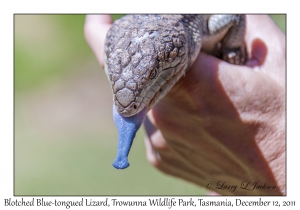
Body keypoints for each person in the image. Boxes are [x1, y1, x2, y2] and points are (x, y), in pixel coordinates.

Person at [84, 15, 285, 195]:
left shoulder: (199, 28)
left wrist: (278, 155)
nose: (125, 107)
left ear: (177, 51)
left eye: (153, 76)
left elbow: (234, 15)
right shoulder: (130, 35)